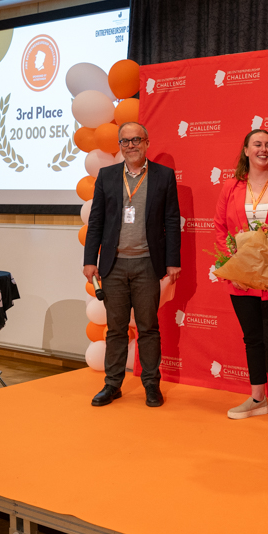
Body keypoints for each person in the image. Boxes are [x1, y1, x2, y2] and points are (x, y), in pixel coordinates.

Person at [83, 121, 181, 408]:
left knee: (148, 328)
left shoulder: (163, 176)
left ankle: (151, 385)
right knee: (115, 329)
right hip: (113, 266)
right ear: (120, 146)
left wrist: (172, 261)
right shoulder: (107, 176)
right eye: (125, 141)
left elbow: (171, 220)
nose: (131, 145)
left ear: (147, 142)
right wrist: (90, 260)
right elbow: (96, 221)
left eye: (136, 140)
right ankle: (112, 385)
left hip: (147, 265)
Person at [214, 129, 268, 431]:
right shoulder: (231, 187)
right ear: (246, 150)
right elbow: (220, 229)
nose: (263, 149)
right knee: (252, 338)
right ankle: (257, 398)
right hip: (241, 281)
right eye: (257, 144)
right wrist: (234, 270)